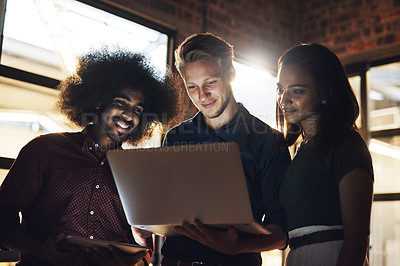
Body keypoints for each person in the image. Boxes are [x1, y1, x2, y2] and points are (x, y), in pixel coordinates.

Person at [0, 48, 182, 266]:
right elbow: (3, 217)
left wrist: (134, 263)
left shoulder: (137, 172)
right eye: (121, 102)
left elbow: (144, 249)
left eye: (138, 109)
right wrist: (40, 250)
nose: (129, 115)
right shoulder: (45, 150)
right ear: (98, 101)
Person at [157, 32, 291, 266]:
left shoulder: (269, 142)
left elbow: (281, 234)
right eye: (192, 86)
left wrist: (238, 246)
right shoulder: (175, 138)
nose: (202, 96)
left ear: (231, 72)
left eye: (210, 82)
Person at [276, 43, 374, 266]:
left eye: (297, 90)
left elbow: (357, 238)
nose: (283, 100)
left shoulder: (347, 144)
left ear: (325, 92)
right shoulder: (301, 151)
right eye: (281, 89)